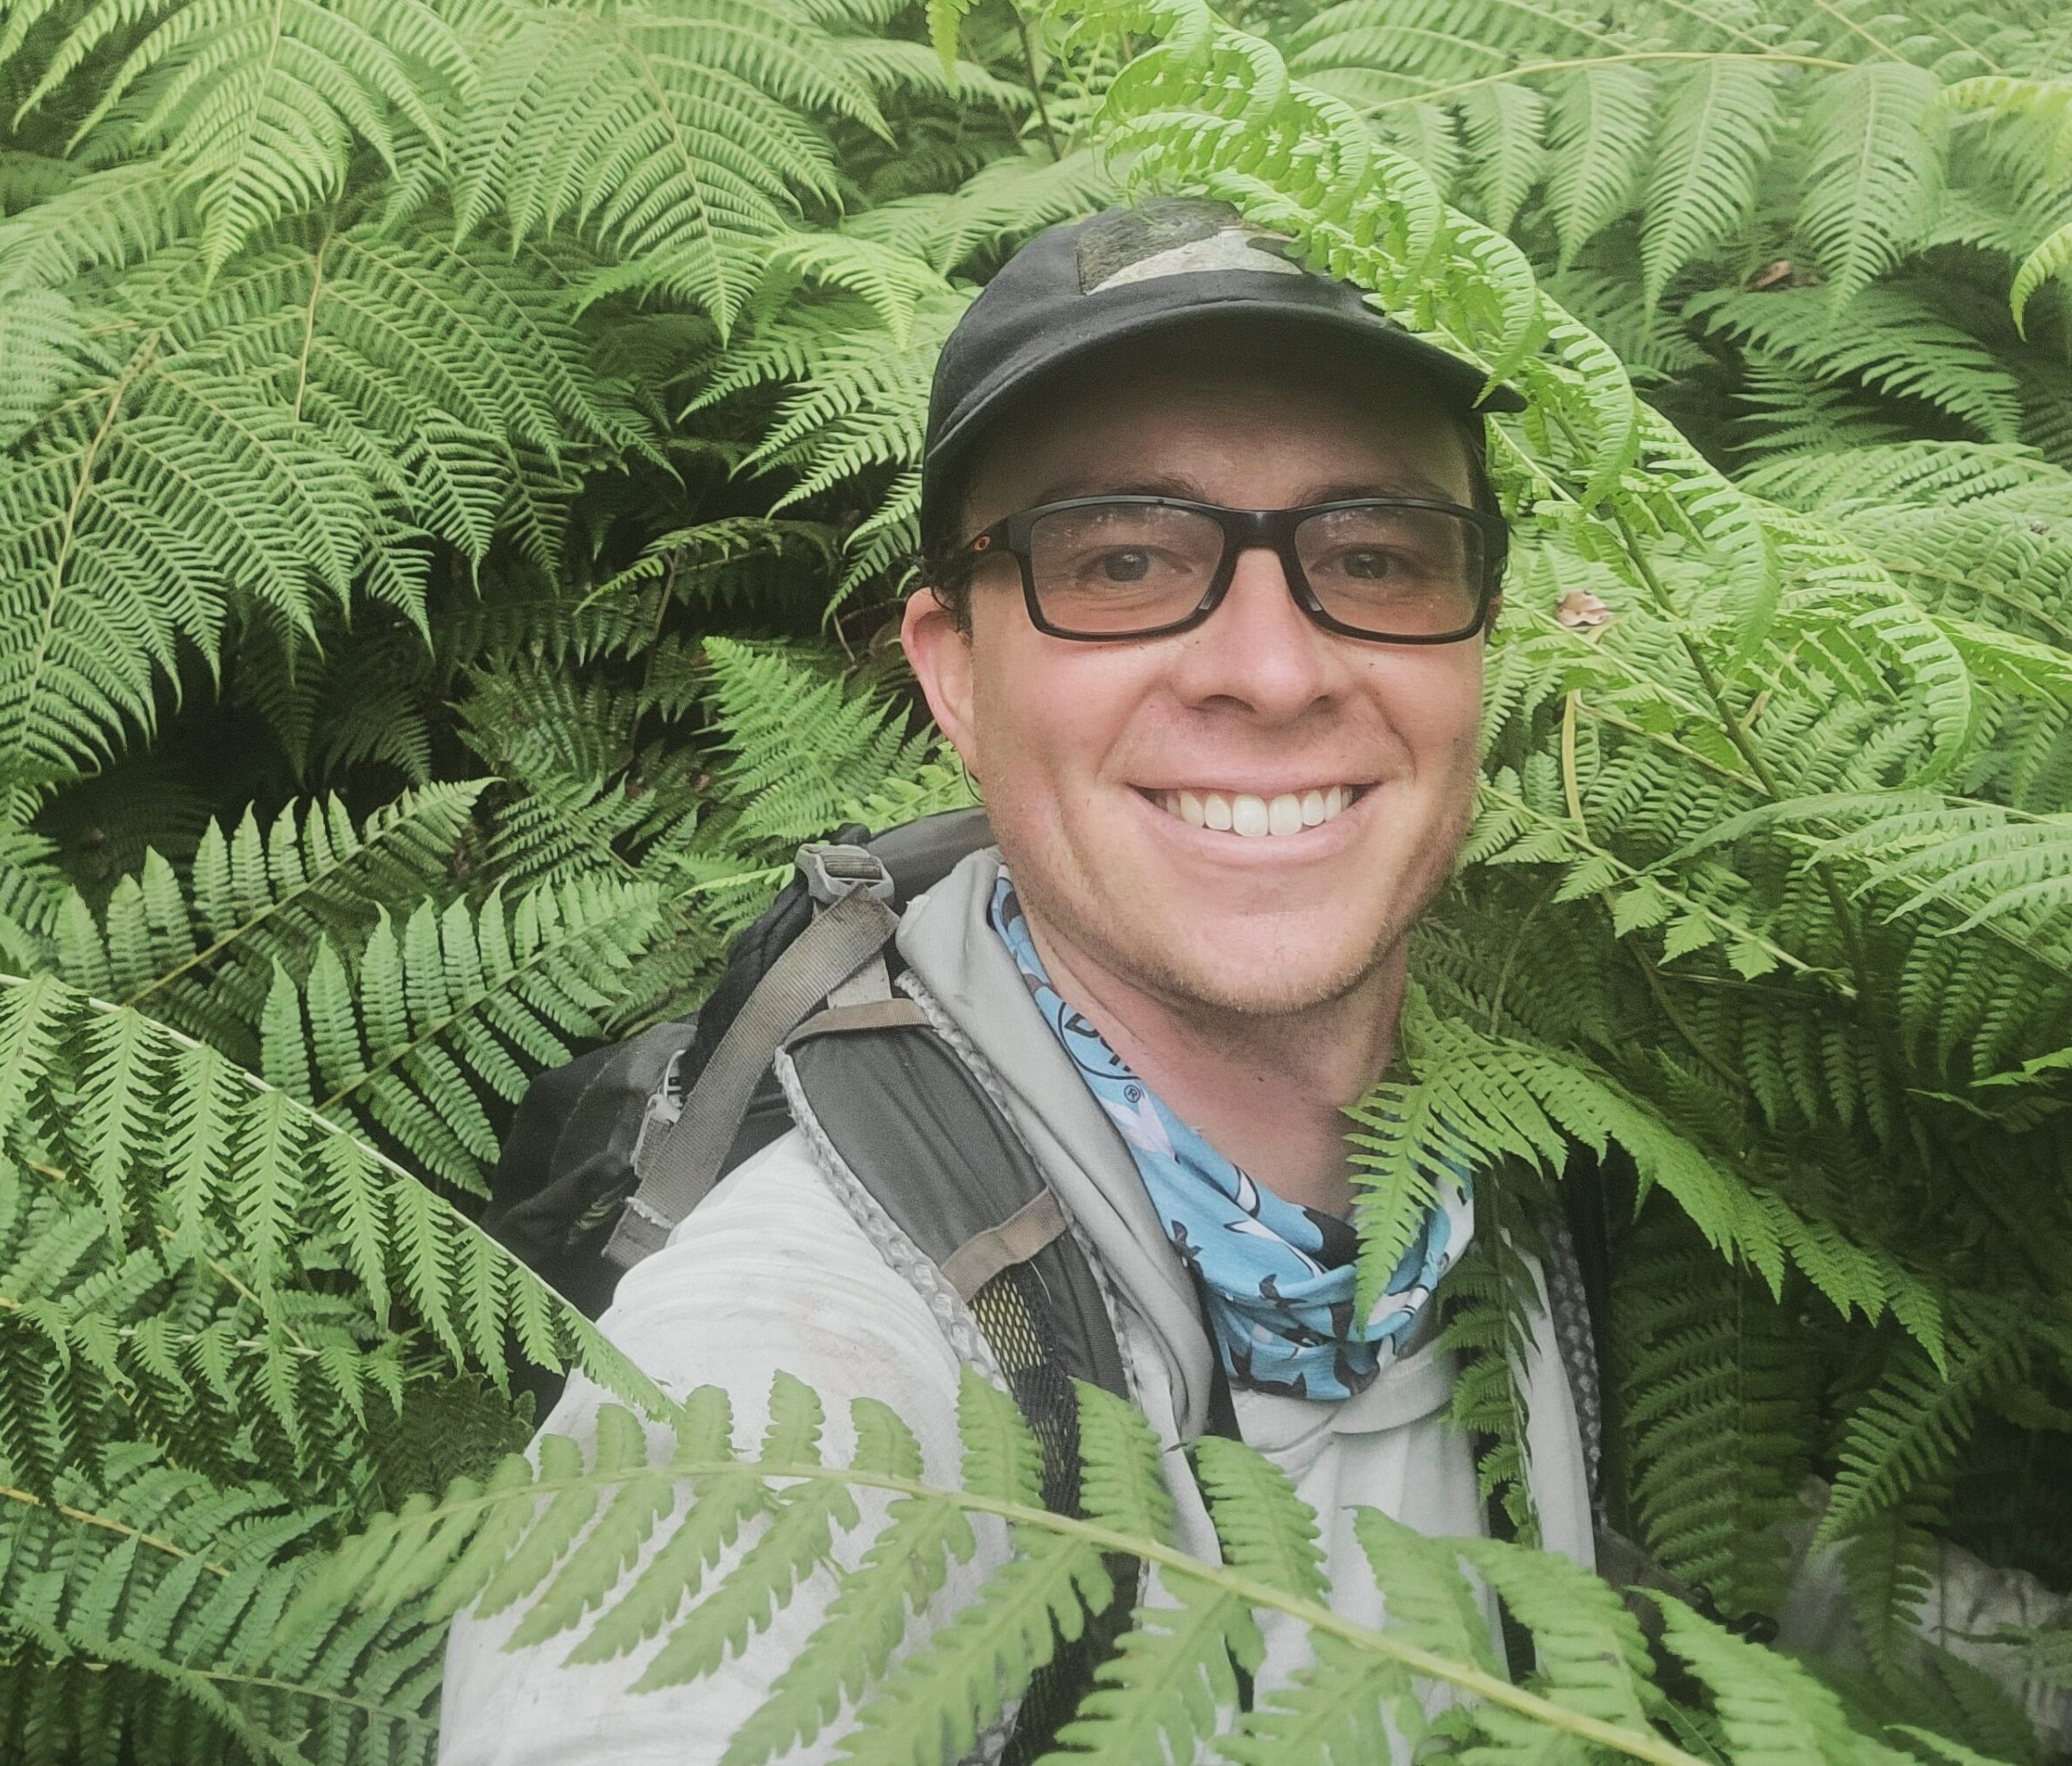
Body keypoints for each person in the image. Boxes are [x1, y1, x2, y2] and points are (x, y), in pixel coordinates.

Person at [439, 196, 1601, 1762]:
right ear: (954, 674)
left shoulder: (1551, 1188)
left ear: (1479, 645)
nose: (1272, 668)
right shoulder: (789, 1370)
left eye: (1375, 554)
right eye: (1121, 557)